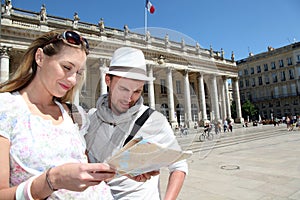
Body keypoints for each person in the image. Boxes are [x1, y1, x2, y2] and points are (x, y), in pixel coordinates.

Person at [0, 30, 116, 199]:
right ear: (39, 58)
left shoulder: (73, 115)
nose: (72, 81)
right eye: (67, 67)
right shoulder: (6, 108)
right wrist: (53, 179)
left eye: (78, 73)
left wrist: (125, 169)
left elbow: (84, 169)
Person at [85, 47, 188, 200]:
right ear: (108, 80)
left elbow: (179, 166)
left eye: (137, 91)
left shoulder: (154, 120)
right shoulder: (92, 118)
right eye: (123, 89)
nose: (129, 98)